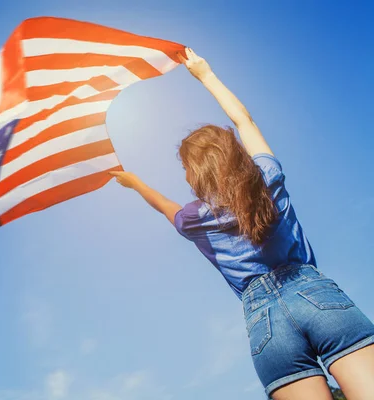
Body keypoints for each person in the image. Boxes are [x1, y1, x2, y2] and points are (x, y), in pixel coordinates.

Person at [109, 48, 374, 399]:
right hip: (318, 298)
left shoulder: (194, 220)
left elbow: (163, 205)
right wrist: (206, 75)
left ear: (196, 176)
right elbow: (244, 121)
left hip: (266, 328)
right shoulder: (268, 177)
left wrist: (135, 182)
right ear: (233, 152)